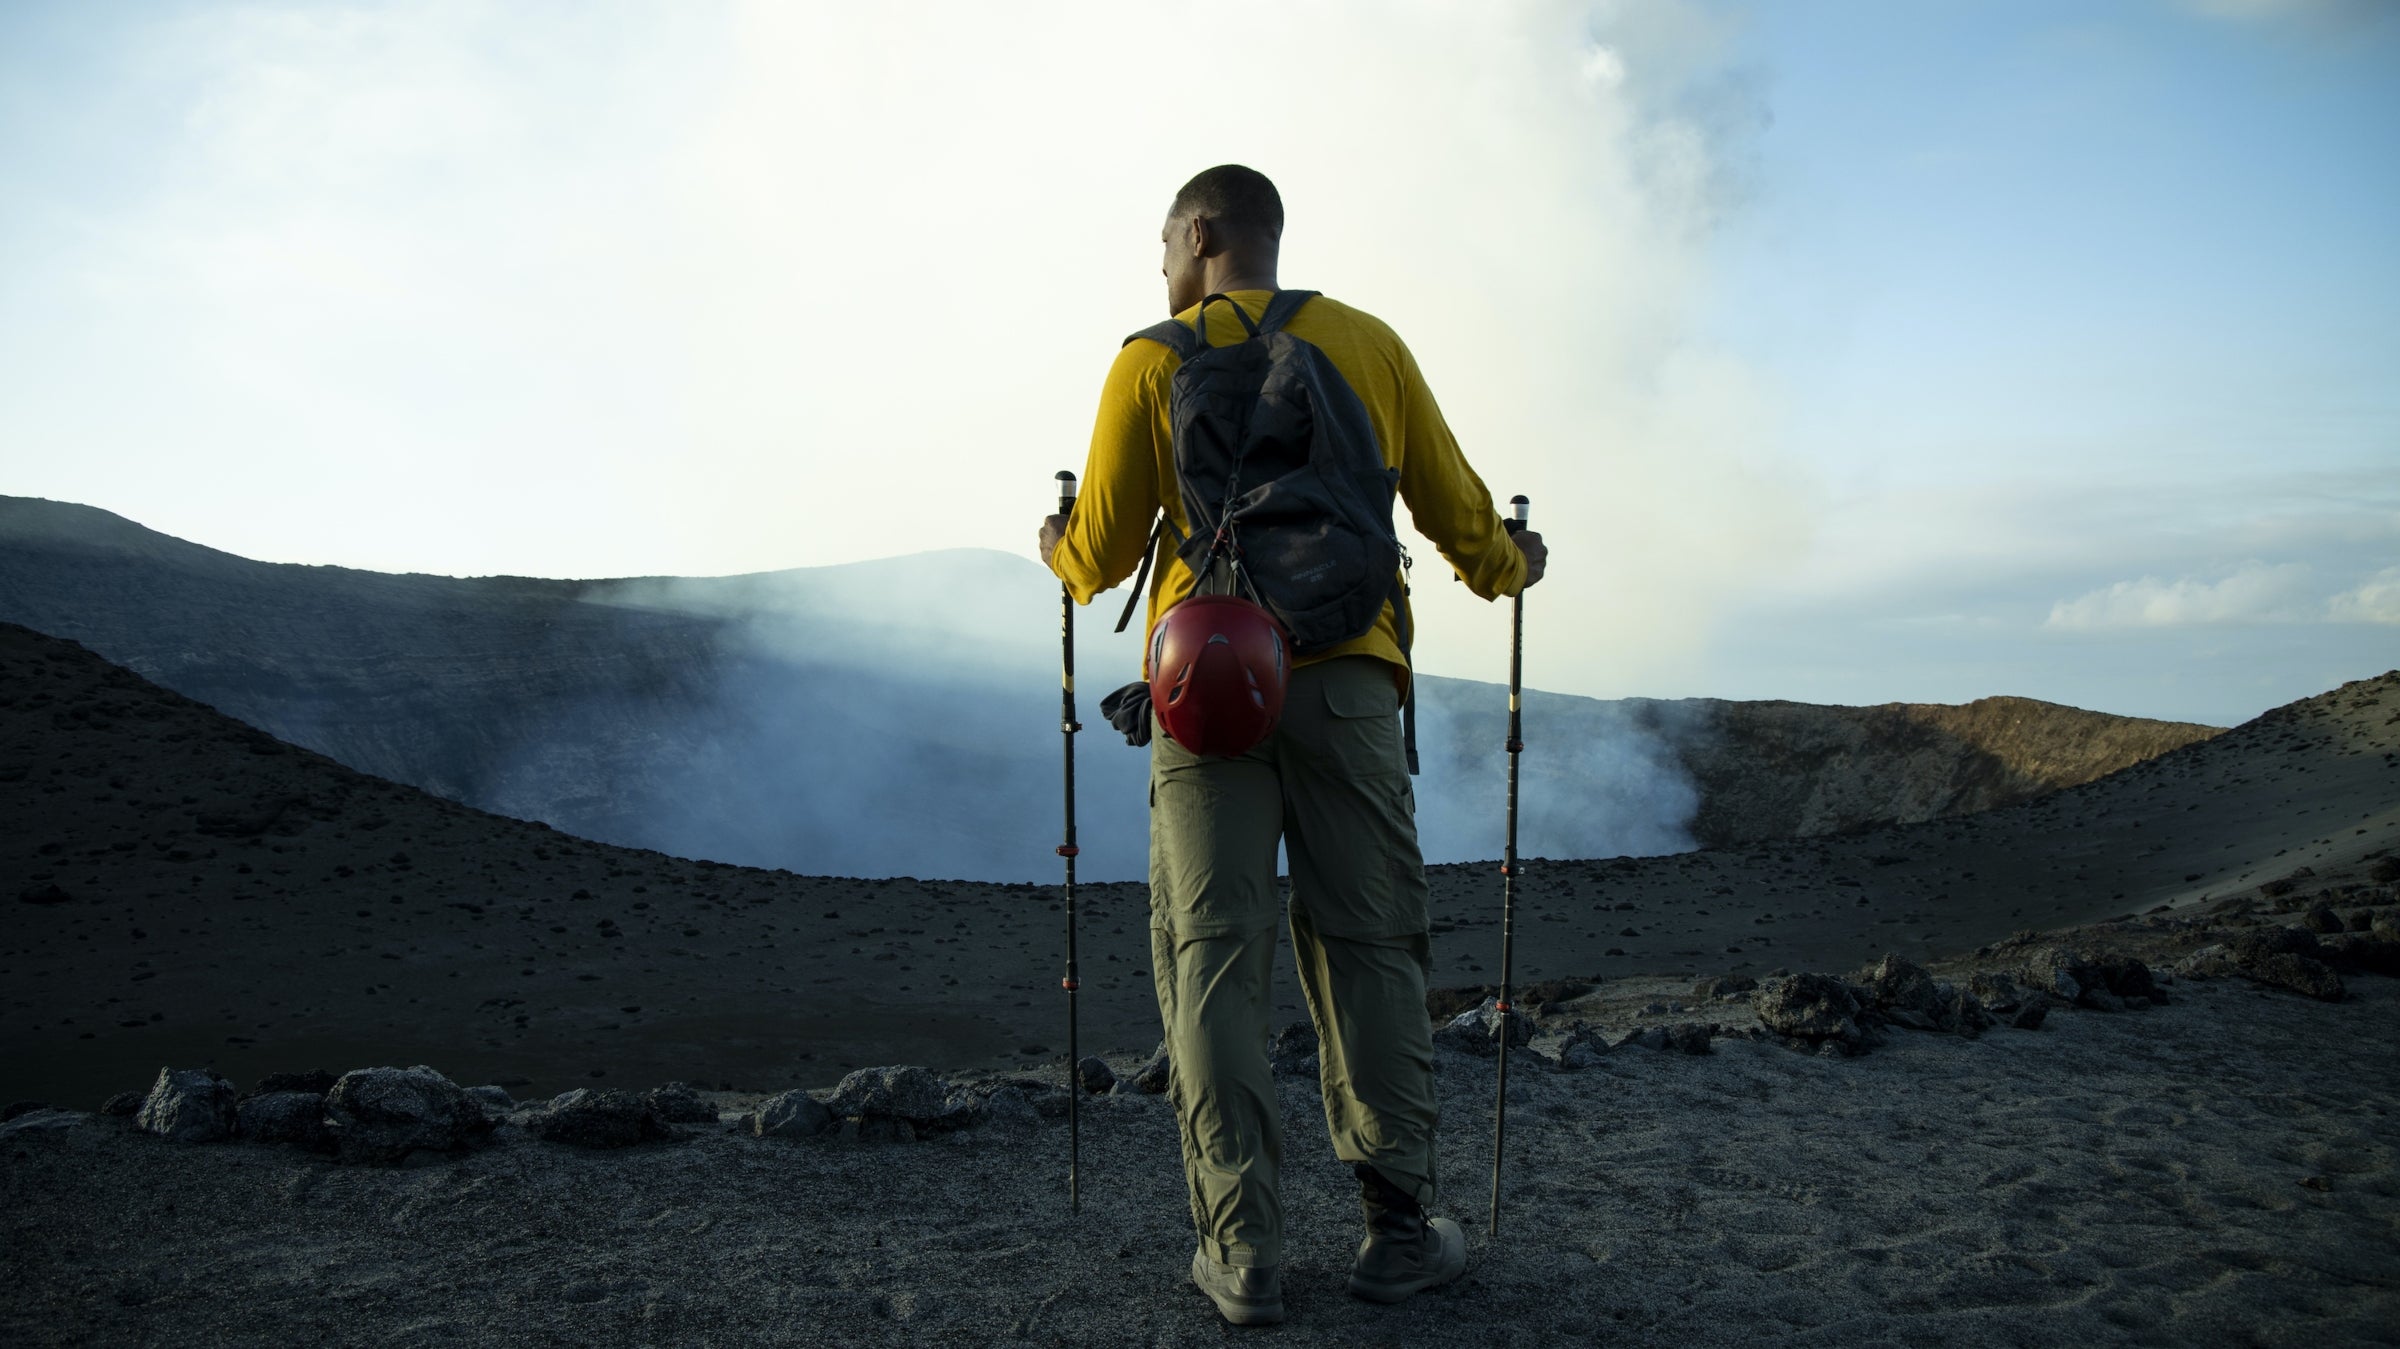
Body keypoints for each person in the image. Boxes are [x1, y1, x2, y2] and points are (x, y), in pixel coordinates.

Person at [1038, 164, 1547, 1328]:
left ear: (1204, 234)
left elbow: (1102, 555)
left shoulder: (1150, 359)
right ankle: (1399, 1230)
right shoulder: (1368, 343)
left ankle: (1245, 1250)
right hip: (1350, 685)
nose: (1160, 267)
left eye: (1166, 244)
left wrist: (1056, 541)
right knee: (1370, 943)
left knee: (1213, 952)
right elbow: (1460, 518)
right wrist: (1515, 563)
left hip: (1207, 686)